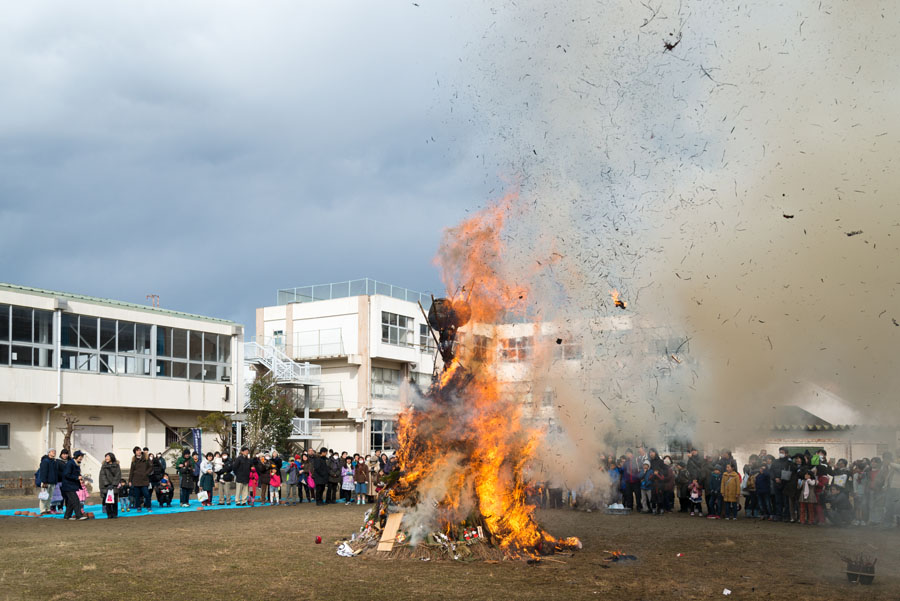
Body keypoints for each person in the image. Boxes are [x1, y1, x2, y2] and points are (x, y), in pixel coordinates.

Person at [61, 450, 88, 520]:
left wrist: (80, 477)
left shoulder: (76, 464)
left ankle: (67, 516)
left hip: (72, 485)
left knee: (71, 501)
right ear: (76, 456)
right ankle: (79, 515)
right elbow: (66, 474)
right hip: (68, 485)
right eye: (80, 456)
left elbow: (75, 474)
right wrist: (77, 477)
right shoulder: (70, 464)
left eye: (82, 456)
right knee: (75, 500)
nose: (81, 458)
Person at [128, 446, 153, 513]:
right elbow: (131, 471)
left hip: (144, 480)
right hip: (136, 480)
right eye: (137, 451)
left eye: (139, 450)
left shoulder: (146, 458)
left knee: (147, 494)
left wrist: (146, 473)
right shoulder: (134, 461)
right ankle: (138, 507)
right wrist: (130, 480)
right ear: (135, 452)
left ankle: (149, 507)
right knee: (137, 495)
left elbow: (151, 467)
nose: (138, 452)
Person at [99, 452, 122, 519]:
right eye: (106, 457)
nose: (106, 458)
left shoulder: (117, 466)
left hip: (114, 486)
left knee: (114, 501)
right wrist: (107, 484)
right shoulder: (103, 466)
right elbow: (102, 476)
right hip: (106, 486)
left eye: (108, 457)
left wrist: (114, 484)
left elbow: (118, 475)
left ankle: (115, 514)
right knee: (107, 501)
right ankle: (109, 514)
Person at [37, 448, 60, 515]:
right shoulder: (45, 461)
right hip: (46, 482)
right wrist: (44, 481)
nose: (54, 452)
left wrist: (55, 481)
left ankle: (48, 509)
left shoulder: (54, 462)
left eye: (55, 451)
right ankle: (43, 510)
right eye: (52, 451)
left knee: (50, 497)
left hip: (52, 482)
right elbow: (43, 472)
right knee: (44, 496)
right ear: (48, 453)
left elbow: (56, 472)